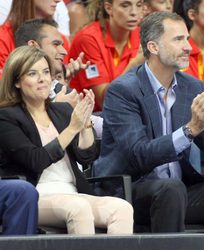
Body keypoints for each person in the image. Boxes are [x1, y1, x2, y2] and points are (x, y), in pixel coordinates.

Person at [94, 12, 204, 250]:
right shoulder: (123, 91)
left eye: (187, 39)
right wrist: (188, 131)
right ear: (153, 46)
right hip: (130, 192)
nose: (188, 47)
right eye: (178, 40)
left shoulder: (191, 86)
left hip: (182, 192)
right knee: (170, 188)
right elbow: (138, 154)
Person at [0, 46, 133, 235]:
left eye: (46, 72)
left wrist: (85, 123)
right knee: (78, 208)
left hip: (72, 192)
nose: (43, 79)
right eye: (32, 73)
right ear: (17, 82)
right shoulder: (7, 117)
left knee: (121, 208)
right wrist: (72, 128)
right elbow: (35, 160)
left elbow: (86, 157)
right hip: (36, 196)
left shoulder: (60, 111)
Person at [15, 18, 103, 133]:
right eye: (56, 44)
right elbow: (32, 143)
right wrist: (58, 109)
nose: (64, 51)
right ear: (33, 46)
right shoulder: (12, 91)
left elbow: (94, 128)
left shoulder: (58, 87)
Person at [68, 0, 144, 111]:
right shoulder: (88, 39)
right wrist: (134, 64)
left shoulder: (141, 35)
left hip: (126, 110)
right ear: (109, 8)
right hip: (88, 116)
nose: (134, 12)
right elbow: (104, 101)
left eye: (139, 5)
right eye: (125, 5)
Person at [0, 0, 70, 79]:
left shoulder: (61, 41)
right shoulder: (2, 38)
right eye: (55, 44)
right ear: (32, 45)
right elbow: (4, 87)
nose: (58, 0)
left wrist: (66, 79)